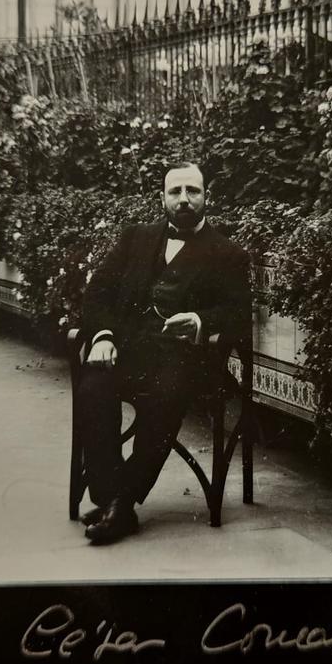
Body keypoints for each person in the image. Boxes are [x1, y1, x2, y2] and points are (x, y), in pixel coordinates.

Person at [74, 161, 252, 545]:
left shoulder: (228, 253)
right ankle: (111, 497)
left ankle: (121, 503)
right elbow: (97, 292)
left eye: (193, 191)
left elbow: (239, 315)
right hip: (130, 351)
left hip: (187, 361)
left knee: (166, 394)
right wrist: (103, 336)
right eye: (176, 192)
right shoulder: (135, 238)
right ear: (162, 198)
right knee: (92, 387)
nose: (184, 199)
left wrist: (201, 320)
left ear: (207, 197)